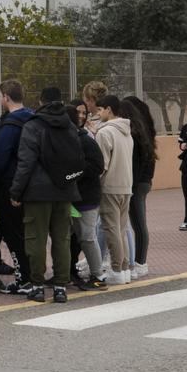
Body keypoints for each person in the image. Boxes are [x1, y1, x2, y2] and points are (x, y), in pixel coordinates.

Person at [9, 87, 79, 303]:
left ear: (40, 100)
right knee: (61, 240)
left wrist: (16, 191)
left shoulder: (33, 125)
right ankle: (60, 287)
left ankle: (38, 286)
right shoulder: (70, 125)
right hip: (64, 190)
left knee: (36, 240)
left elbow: (26, 162)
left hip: (37, 192)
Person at [0, 81, 35, 291]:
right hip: (34, 185)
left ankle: (23, 278)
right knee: (32, 232)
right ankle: (35, 275)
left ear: (6, 97)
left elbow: (1, 161)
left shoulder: (9, 125)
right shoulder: (35, 118)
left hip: (11, 187)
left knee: (13, 234)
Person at [68, 99, 107, 288]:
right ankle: (70, 272)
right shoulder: (74, 138)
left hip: (87, 198)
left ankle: (98, 275)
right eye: (78, 113)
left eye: (84, 113)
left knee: (87, 237)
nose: (81, 116)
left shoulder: (85, 139)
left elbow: (98, 166)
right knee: (75, 236)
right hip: (75, 198)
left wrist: (76, 173)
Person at [121, 95, 158, 277]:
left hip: (136, 183)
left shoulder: (134, 133)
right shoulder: (145, 131)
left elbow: (135, 164)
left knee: (137, 223)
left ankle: (140, 263)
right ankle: (137, 262)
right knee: (136, 224)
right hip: (143, 182)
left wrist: (132, 185)